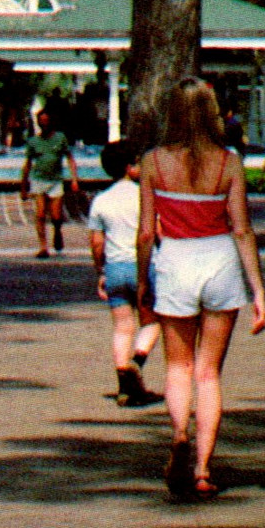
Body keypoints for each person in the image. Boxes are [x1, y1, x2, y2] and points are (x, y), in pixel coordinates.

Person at [135, 78, 265, 500]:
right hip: (220, 260)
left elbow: (143, 233)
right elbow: (243, 230)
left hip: (175, 258)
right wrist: (258, 290)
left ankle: (178, 433)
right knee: (209, 373)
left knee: (178, 368)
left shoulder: (153, 162)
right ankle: (204, 469)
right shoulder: (229, 163)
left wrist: (142, 280)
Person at [86, 139, 164, 408]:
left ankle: (124, 386)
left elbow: (97, 243)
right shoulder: (145, 195)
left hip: (116, 269)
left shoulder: (100, 201)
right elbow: (157, 232)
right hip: (144, 266)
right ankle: (136, 361)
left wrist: (101, 272)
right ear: (130, 166)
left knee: (122, 328)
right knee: (153, 321)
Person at [21, 109, 81, 257]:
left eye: (47, 121)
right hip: (39, 180)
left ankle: (57, 232)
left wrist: (74, 179)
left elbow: (70, 158)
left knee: (56, 216)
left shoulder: (60, 138)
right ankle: (43, 247)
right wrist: (23, 187)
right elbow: (27, 165)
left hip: (55, 181)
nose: (44, 124)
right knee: (40, 214)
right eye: (42, 122)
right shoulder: (34, 141)